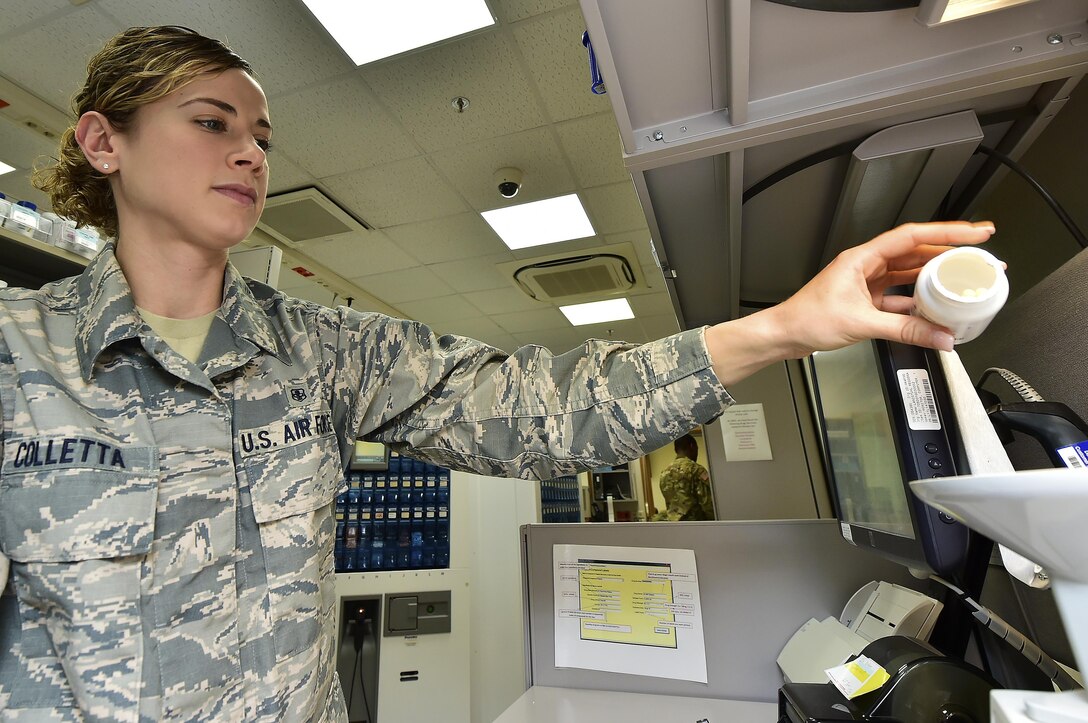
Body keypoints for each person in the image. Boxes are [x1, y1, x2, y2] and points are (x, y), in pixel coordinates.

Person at [0, 25, 997, 723]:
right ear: (102, 140)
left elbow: (544, 411)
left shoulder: (325, 350)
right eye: (212, 122)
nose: (252, 153)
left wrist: (781, 327)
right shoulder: (16, 356)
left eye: (263, 134)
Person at [653, 433, 714, 521]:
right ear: (692, 446)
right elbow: (708, 503)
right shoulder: (696, 469)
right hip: (696, 526)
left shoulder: (664, 472)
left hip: (675, 527)